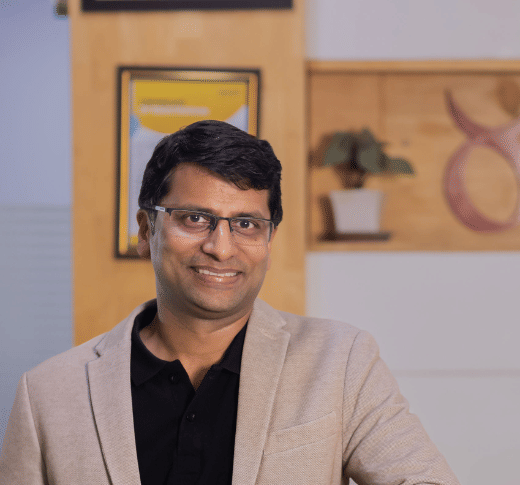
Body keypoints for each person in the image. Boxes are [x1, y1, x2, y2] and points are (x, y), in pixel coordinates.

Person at [0, 120, 459, 485]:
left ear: (268, 240)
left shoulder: (340, 362)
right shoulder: (47, 394)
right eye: (194, 218)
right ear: (146, 230)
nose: (221, 248)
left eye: (246, 224)